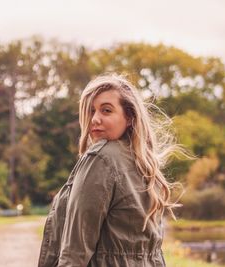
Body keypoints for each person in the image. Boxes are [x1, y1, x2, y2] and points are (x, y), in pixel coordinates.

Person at [38, 74, 186, 267]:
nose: (95, 119)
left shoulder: (101, 158)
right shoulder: (145, 163)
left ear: (130, 117)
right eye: (91, 111)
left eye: (106, 110)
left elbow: (75, 251)